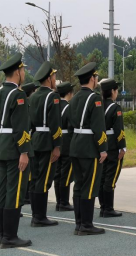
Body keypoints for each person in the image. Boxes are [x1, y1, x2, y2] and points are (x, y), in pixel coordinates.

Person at [69, 62, 107, 235]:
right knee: (90, 186)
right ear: (92, 79)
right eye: (96, 77)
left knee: (78, 185)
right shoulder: (95, 98)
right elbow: (98, 127)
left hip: (75, 145)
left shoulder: (75, 97)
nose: (96, 79)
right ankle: (86, 225)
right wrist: (103, 148)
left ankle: (79, 224)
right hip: (89, 147)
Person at [0, 53, 32, 248]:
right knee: (15, 191)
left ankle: (3, 233)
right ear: (18, 72)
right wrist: (24, 151)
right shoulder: (18, 95)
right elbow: (20, 126)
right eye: (23, 70)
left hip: (1, 146)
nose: (24, 73)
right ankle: (10, 236)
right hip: (14, 148)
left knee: (2, 190)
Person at [28, 62, 61, 227]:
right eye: (54, 76)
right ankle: (40, 217)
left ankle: (36, 215)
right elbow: (55, 123)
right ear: (49, 78)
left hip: (34, 140)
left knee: (35, 178)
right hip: (47, 141)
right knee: (44, 179)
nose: (55, 79)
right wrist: (57, 145)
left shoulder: (32, 96)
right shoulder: (53, 96)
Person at [98, 78, 126, 218]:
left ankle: (103, 207)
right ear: (113, 92)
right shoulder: (115, 108)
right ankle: (108, 208)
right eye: (116, 90)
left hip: (101, 144)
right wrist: (122, 147)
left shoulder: (98, 106)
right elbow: (119, 130)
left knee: (102, 177)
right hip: (113, 146)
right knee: (111, 177)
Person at [53, 82, 75, 211]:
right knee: (66, 173)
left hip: (57, 141)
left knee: (58, 172)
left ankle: (58, 201)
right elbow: (71, 126)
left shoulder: (56, 106)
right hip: (66, 142)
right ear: (69, 93)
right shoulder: (68, 107)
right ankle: (64, 202)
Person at [21, 82, 37, 209]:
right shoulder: (26, 105)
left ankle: (25, 196)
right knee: (28, 172)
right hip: (27, 140)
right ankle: (25, 196)